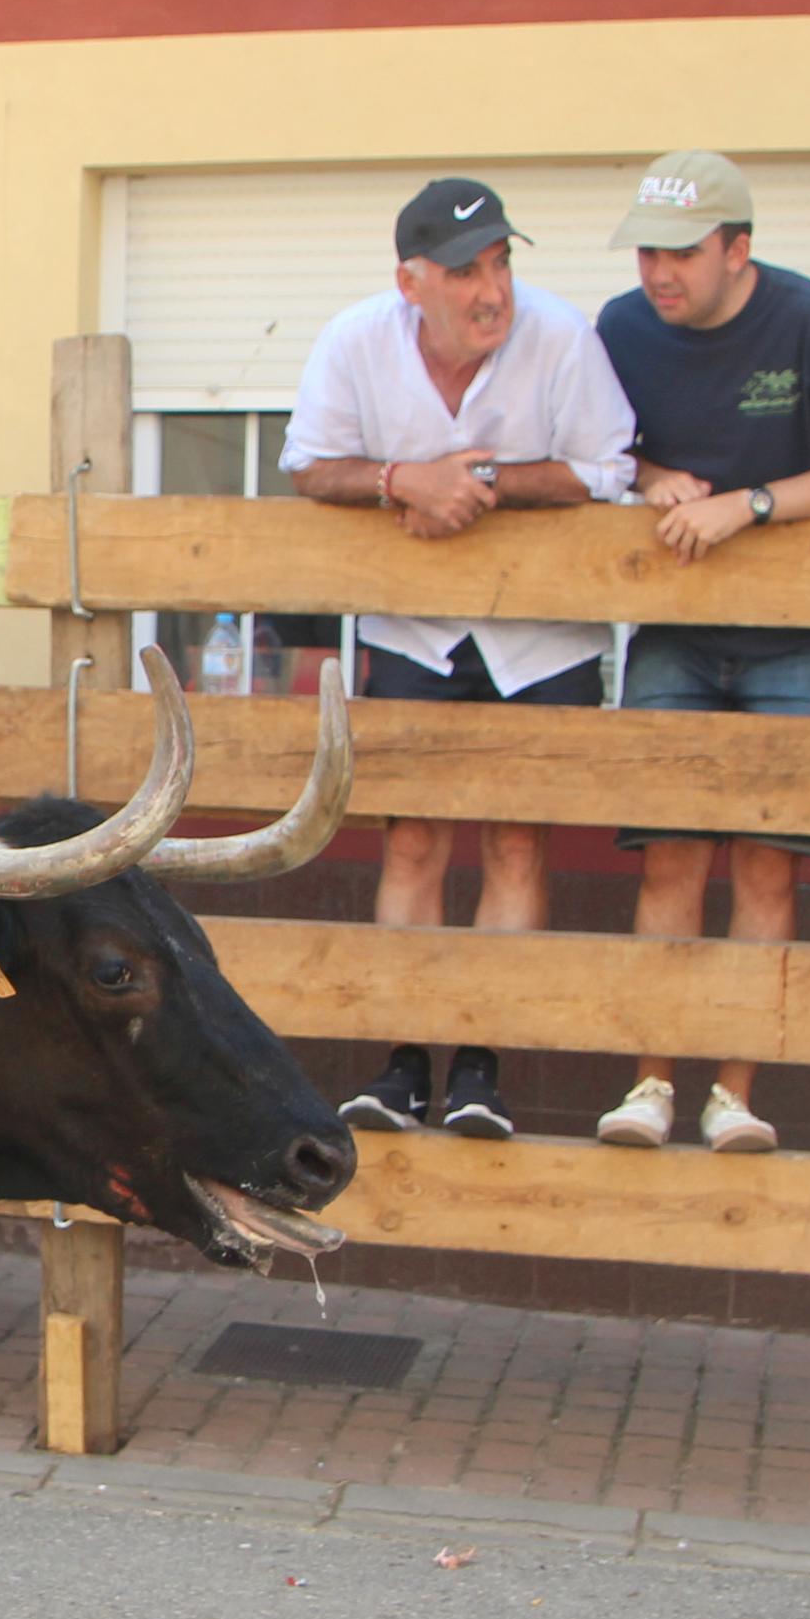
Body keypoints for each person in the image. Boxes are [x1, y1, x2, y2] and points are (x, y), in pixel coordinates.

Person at [279, 176, 638, 1143]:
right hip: (412, 629)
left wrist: (478, 480)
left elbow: (609, 469)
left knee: (516, 842)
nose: (493, 291)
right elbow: (309, 461)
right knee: (410, 841)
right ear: (411, 280)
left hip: (542, 636)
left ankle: (481, 1064)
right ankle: (400, 1063)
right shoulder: (356, 339)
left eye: (502, 263)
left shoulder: (559, 335)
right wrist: (401, 479)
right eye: (466, 270)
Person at [589, 153, 810, 1155]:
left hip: (799, 639)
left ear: (738, 248)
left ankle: (732, 1092)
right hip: (673, 631)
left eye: (680, 251)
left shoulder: (808, 320)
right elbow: (591, 444)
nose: (657, 272)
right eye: (645, 249)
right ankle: (649, 1081)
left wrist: (752, 504)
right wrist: (645, 475)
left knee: (767, 872)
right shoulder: (617, 326)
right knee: (668, 862)